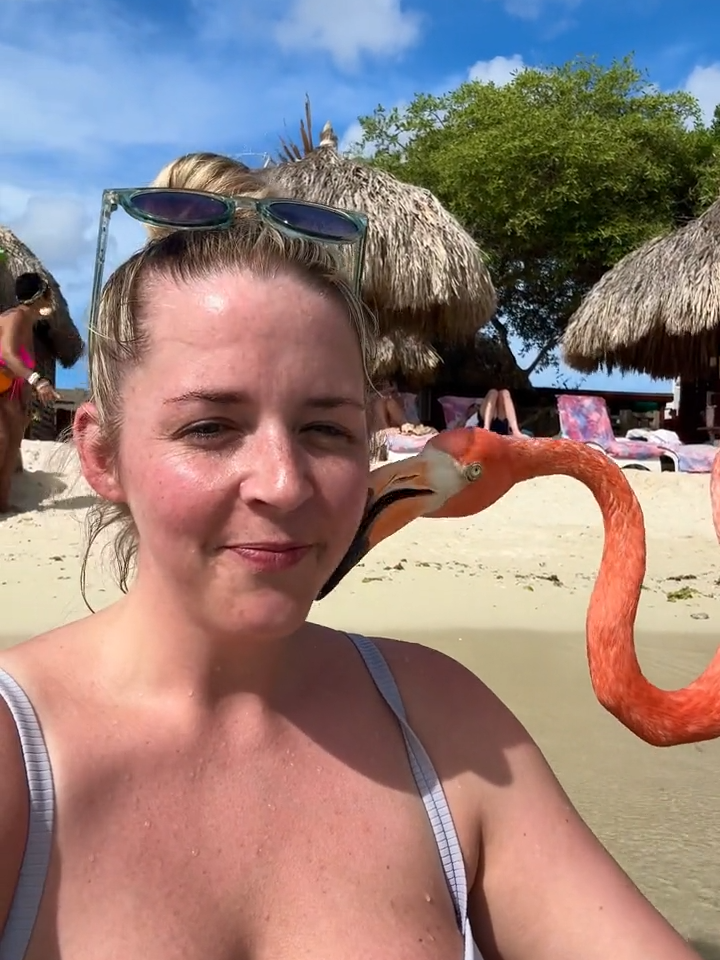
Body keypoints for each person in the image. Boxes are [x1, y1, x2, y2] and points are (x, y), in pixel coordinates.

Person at [0, 194, 700, 960]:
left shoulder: (449, 726)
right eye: (210, 426)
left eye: (326, 429)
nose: (286, 485)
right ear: (101, 456)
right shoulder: (17, 760)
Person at [0, 272, 61, 512]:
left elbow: (17, 369)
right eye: (47, 292)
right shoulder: (15, 317)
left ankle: (2, 504)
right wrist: (38, 381)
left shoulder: (28, 322)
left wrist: (26, 400)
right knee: (3, 441)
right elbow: (6, 354)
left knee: (13, 443)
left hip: (10, 390)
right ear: (39, 296)